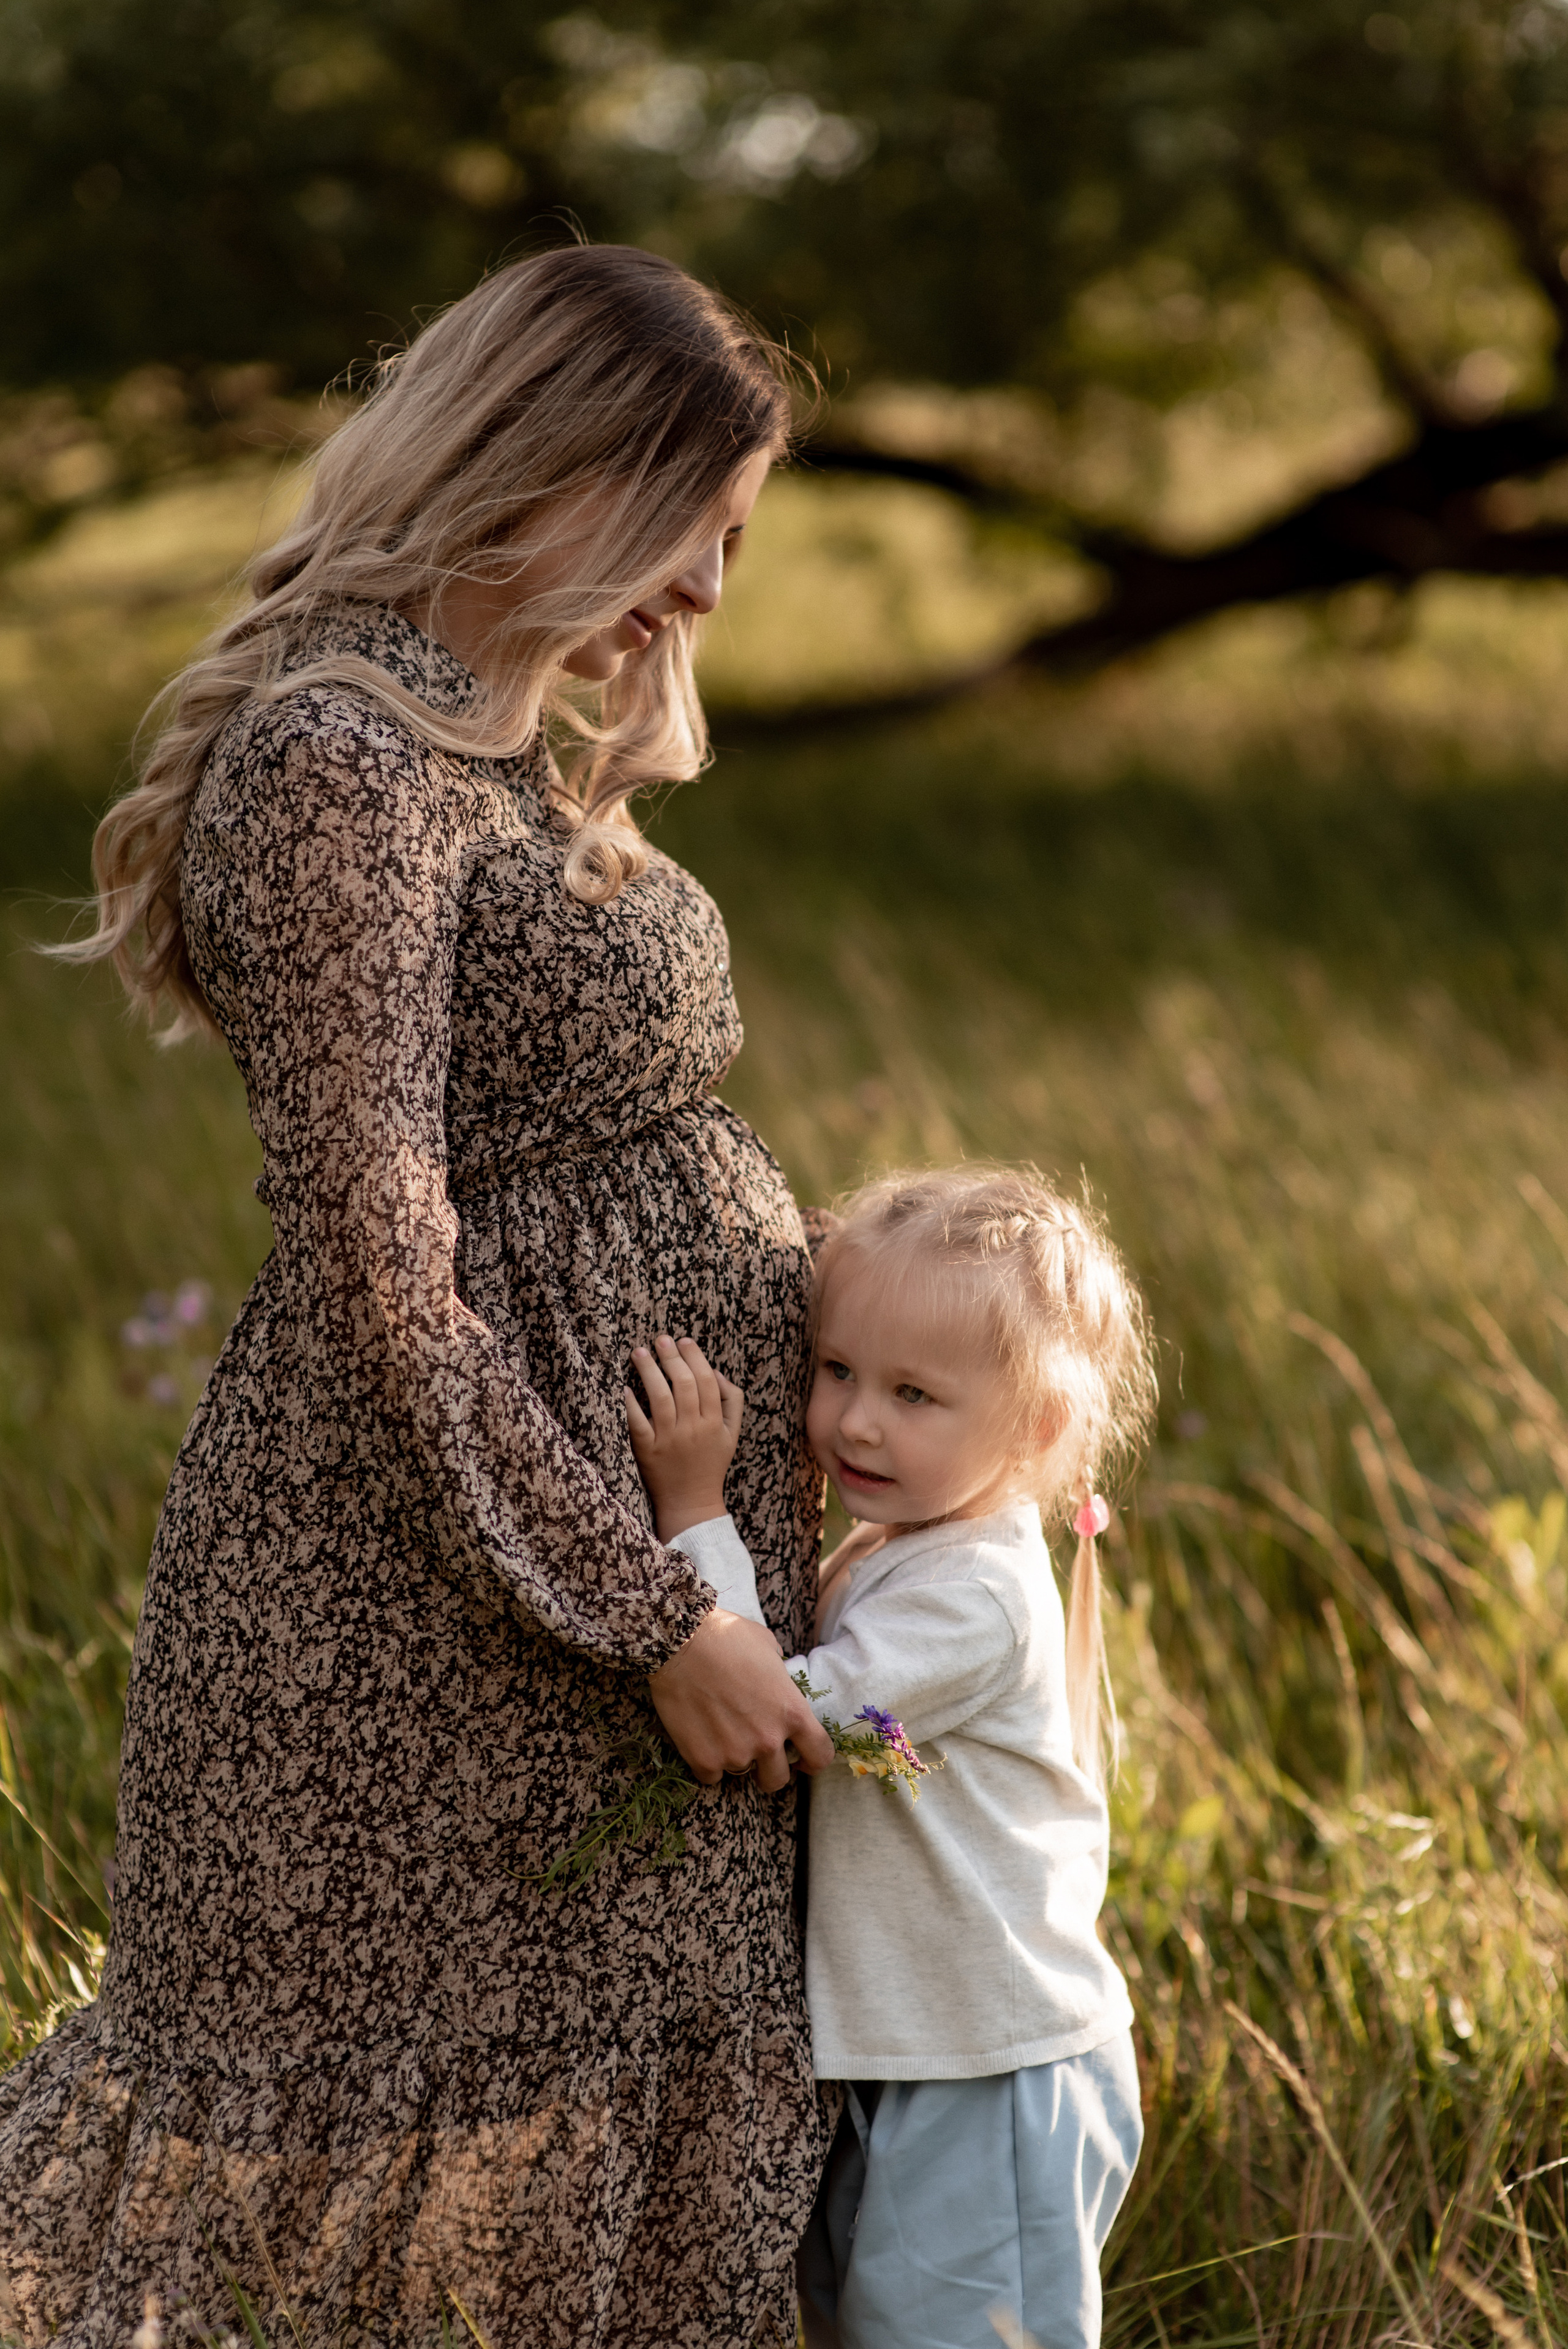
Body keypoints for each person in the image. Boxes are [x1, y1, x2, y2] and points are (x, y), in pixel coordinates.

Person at [0, 244, 837, 2348]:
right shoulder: (339, 763)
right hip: (448, 1625)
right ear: (546, 460)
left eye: (734, 543)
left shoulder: (496, 749)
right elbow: (381, 1256)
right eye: (688, 524)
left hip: (609, 1584)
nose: (706, 590)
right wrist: (651, 1616)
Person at [624, 1165, 1158, 2349]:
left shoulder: (977, 1596)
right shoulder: (899, 1544)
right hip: (910, 2044)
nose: (858, 1421)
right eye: (838, 1370)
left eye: (914, 1392)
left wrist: (696, 1512)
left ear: (1038, 1428)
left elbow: (777, 1716)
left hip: (991, 2069)